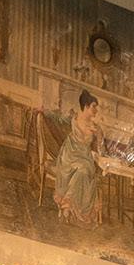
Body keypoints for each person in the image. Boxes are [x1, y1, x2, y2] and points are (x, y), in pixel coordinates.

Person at [50, 90, 105, 220]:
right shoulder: (72, 118)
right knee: (82, 170)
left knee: (84, 170)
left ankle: (67, 206)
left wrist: (98, 137)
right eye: (93, 107)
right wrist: (41, 112)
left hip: (85, 158)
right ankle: (67, 207)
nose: (96, 110)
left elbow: (100, 148)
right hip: (69, 156)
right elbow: (55, 117)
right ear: (85, 106)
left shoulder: (96, 127)